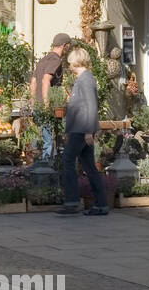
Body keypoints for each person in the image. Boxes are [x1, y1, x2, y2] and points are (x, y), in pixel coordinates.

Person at [56, 45, 109, 216]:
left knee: (67, 161)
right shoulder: (83, 78)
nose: (69, 66)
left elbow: (91, 106)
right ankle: (101, 205)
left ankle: (71, 202)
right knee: (89, 166)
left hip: (81, 129)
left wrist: (88, 131)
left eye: (71, 63)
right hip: (79, 129)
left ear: (77, 62)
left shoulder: (86, 79)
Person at [30, 32, 71, 162]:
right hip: (47, 106)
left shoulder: (43, 60)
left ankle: (37, 167)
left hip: (37, 105)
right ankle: (45, 171)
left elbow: (33, 82)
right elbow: (45, 80)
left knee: (39, 139)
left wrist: (33, 102)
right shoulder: (56, 60)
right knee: (48, 141)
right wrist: (47, 104)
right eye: (68, 47)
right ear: (64, 46)